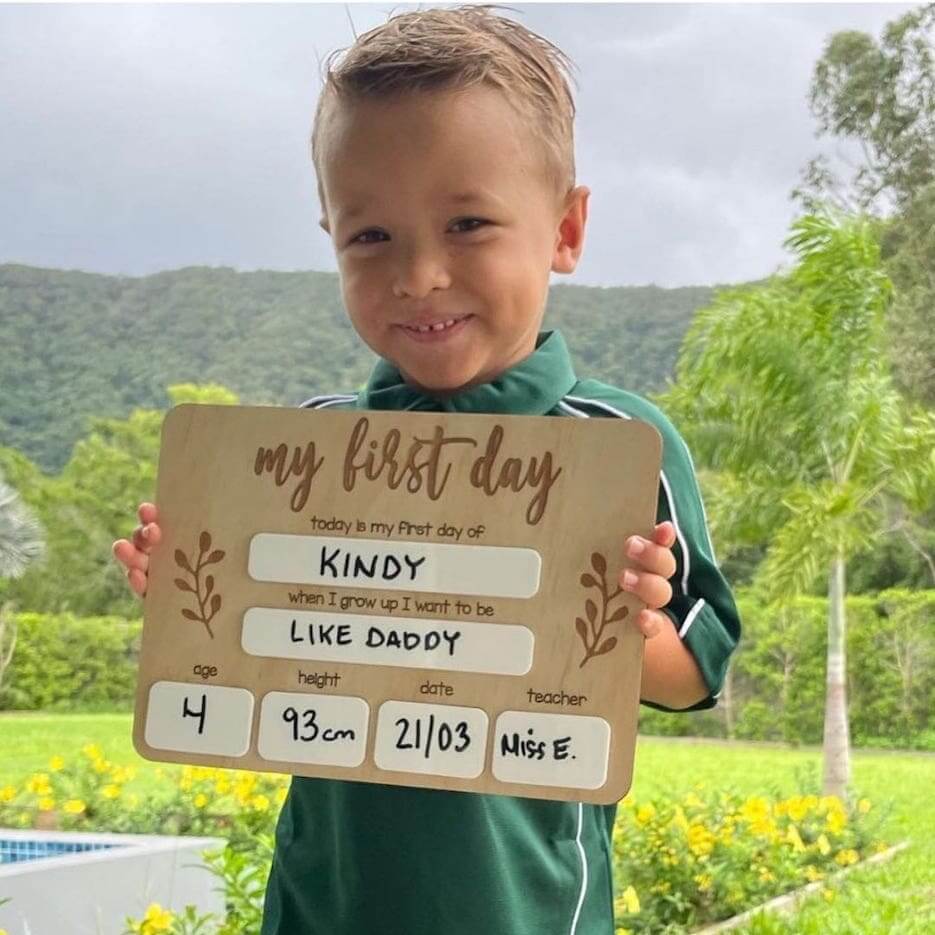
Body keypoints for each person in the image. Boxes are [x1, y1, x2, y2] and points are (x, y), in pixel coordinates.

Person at [113, 6, 741, 933]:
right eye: (370, 237)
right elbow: (252, 653)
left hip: (523, 911)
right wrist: (189, 590)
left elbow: (696, 670)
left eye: (468, 222)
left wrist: (623, 623)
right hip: (321, 906)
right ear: (328, 232)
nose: (418, 274)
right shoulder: (303, 454)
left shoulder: (619, 443)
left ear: (565, 229)